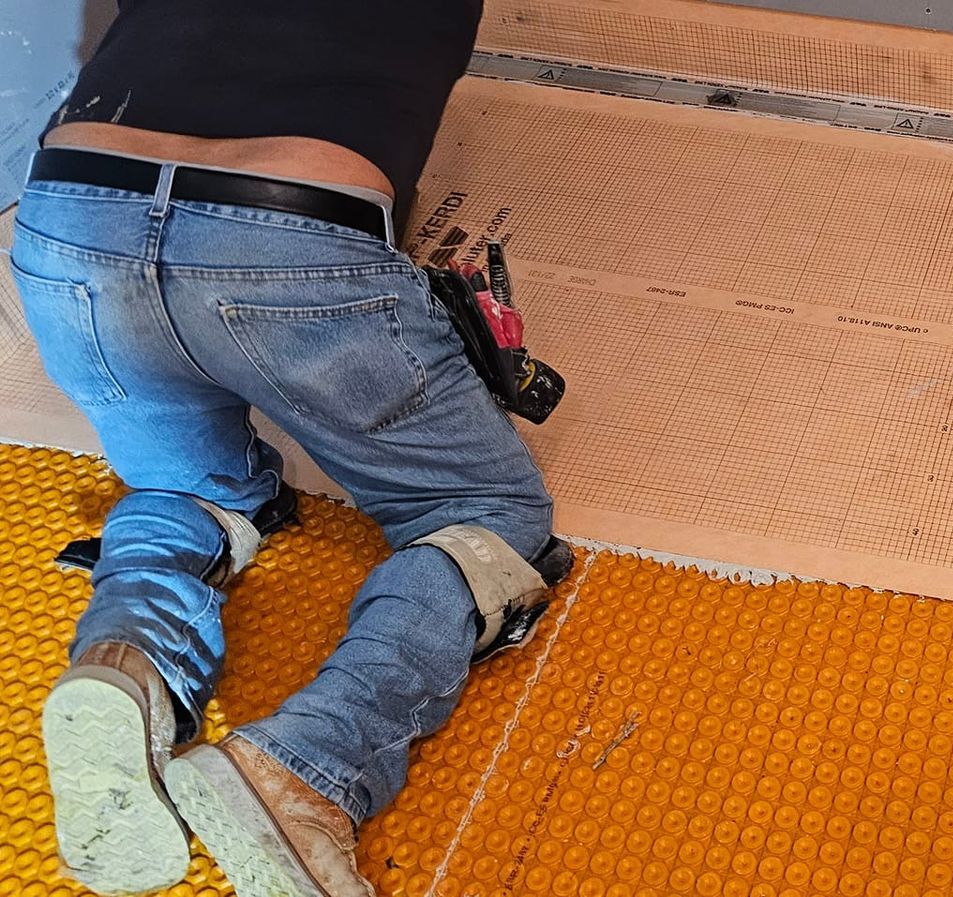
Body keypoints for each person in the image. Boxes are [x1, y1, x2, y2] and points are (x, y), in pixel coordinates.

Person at [11, 3, 563, 895]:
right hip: (283, 232)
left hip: (70, 222)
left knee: (182, 484)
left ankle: (127, 660)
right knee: (490, 516)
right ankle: (310, 763)